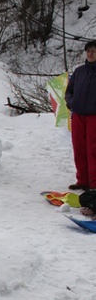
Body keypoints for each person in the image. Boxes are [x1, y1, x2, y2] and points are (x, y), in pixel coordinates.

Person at [65, 40, 96, 191]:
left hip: (93, 117)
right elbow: (69, 91)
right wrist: (71, 103)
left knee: (93, 150)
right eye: (88, 51)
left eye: (94, 51)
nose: (90, 54)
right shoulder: (79, 71)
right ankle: (83, 180)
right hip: (78, 115)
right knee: (79, 148)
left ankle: (94, 184)